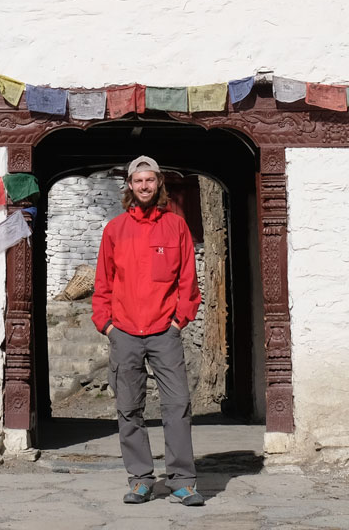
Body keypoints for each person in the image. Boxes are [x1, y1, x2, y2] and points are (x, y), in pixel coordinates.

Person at [91, 155, 204, 506]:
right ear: (129, 185)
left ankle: (182, 480)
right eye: (138, 181)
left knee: (178, 405)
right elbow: (102, 283)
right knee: (129, 408)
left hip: (163, 332)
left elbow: (188, 282)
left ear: (159, 184)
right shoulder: (114, 230)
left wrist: (177, 321)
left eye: (150, 180)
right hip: (124, 331)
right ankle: (140, 479)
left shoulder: (176, 227)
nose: (144, 186)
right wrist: (107, 325)